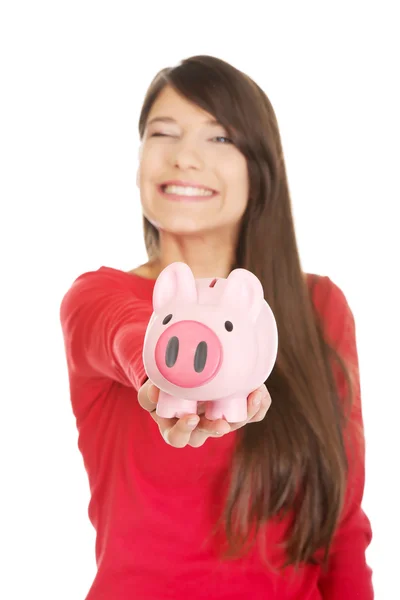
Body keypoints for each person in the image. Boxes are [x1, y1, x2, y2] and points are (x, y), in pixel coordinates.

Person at [60, 55, 373, 599]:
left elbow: (342, 529)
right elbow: (124, 333)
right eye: (163, 133)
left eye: (220, 138)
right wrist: (158, 371)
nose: (184, 156)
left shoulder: (319, 306)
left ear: (261, 167)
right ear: (138, 164)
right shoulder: (97, 296)